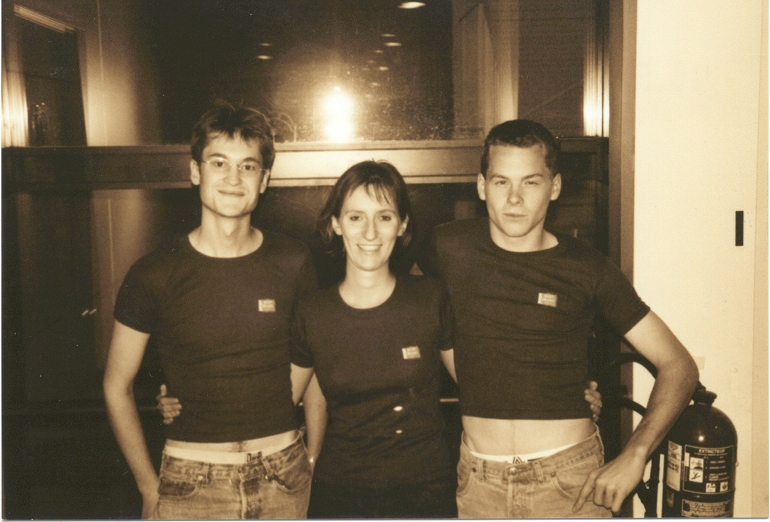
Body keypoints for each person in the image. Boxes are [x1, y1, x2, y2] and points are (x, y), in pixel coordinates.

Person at [157, 160, 603, 519]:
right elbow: (276, 397)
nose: (370, 233)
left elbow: (480, 379)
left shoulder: (430, 299)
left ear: (402, 225)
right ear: (336, 224)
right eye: (356, 217)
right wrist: (187, 398)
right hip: (339, 496)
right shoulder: (313, 311)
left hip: (428, 493)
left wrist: (566, 393)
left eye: (384, 217)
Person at [419, 119, 700, 518]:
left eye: (530, 182)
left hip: (570, 484)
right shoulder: (447, 247)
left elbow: (679, 365)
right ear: (482, 186)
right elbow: (408, 310)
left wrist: (635, 455)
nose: (514, 199)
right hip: (479, 485)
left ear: (554, 187)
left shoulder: (587, 267)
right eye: (501, 182)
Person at [103, 102, 317, 520]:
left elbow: (313, 365)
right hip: (191, 483)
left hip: (284, 475)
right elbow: (116, 385)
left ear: (264, 179)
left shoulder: (294, 261)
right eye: (219, 163)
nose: (233, 179)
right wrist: (148, 487)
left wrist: (311, 458)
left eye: (248, 166)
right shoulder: (154, 272)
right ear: (195, 171)